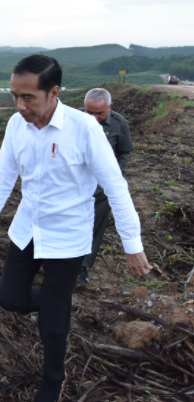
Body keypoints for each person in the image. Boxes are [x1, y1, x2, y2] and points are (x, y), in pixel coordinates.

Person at [0, 55, 152, 402]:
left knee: (53, 325)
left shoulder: (84, 129)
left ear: (53, 93)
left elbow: (115, 187)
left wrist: (133, 245)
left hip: (68, 237)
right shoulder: (15, 125)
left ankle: (54, 377)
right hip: (28, 229)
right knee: (8, 297)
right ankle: (58, 302)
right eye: (15, 96)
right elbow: (4, 176)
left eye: (28, 98)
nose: (20, 105)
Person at [80, 88, 134, 284]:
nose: (93, 118)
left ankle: (83, 266)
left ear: (110, 107)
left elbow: (124, 152)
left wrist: (114, 179)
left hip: (101, 189)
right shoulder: (75, 120)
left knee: (95, 226)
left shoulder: (120, 125)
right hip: (76, 184)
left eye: (100, 113)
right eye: (89, 112)